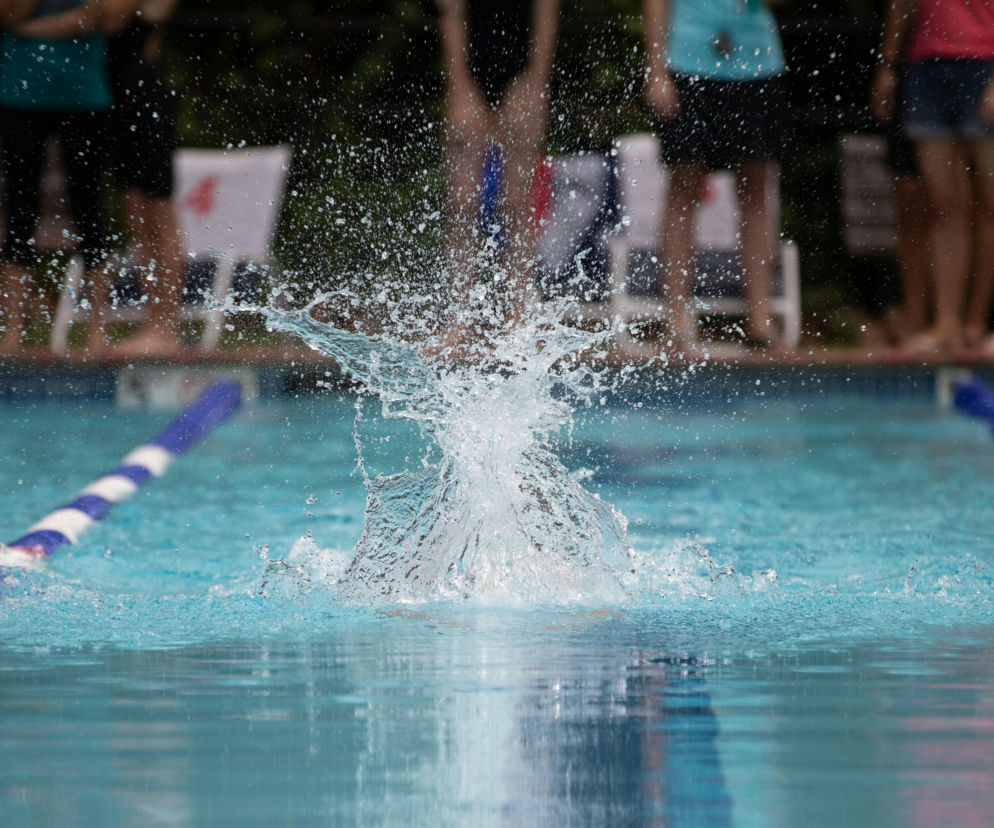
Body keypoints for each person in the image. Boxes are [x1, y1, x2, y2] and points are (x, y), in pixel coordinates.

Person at [642, 0, 789, 354]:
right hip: (687, 58)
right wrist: (656, 70)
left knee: (756, 191)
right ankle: (675, 319)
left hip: (758, 61)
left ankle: (760, 319)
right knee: (683, 189)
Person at [435, 0, 560, 350]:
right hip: (470, 74)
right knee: (461, 202)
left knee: (518, 202)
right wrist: (459, 84)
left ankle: (517, 315)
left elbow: (546, 13)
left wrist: (537, 79)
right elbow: (452, 13)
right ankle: (459, 318)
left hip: (522, 72)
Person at [872, 0, 994, 357]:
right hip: (926, 62)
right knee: (944, 205)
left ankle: (978, 325)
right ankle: (946, 324)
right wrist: (889, 64)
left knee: (991, 205)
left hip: (985, 62)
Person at [0, 0, 114, 355]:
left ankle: (98, 329)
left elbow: (94, 19)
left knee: (90, 212)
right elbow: (9, 14)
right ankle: (13, 329)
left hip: (84, 94)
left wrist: (28, 29)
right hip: (19, 93)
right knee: (18, 214)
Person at [103, 0, 185, 356]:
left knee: (160, 218)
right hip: (116, 98)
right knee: (137, 219)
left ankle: (168, 328)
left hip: (146, 98)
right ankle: (153, 322)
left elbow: (109, 16)